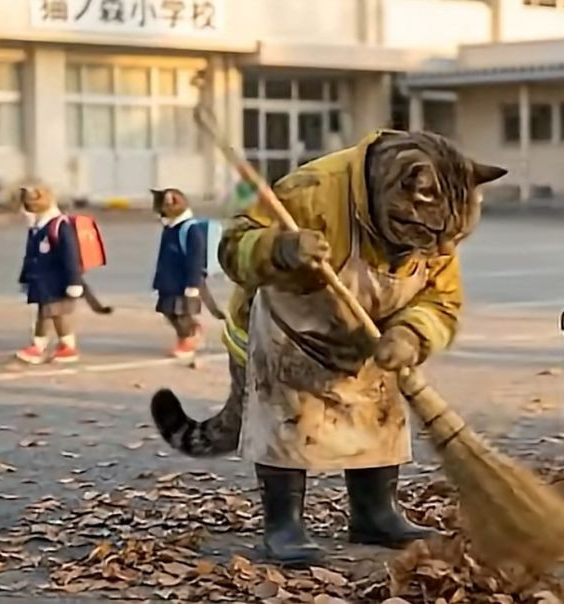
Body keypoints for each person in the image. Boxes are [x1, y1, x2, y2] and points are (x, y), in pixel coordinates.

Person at [152, 128, 506, 566]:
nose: (442, 249)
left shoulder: (438, 216)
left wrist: (410, 334)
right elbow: (232, 248)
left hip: (368, 337)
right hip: (286, 332)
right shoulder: (312, 191)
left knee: (379, 417)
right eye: (433, 235)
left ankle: (375, 513)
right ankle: (284, 525)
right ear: (405, 185)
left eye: (454, 236)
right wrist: (279, 249)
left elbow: (442, 299)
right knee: (286, 421)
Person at [15, 186, 84, 364]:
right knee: (51, 313)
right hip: (42, 281)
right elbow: (30, 255)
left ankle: (41, 347)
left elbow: (70, 255)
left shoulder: (58, 225)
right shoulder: (36, 227)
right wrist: (25, 277)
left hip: (56, 281)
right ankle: (63, 345)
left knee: (49, 313)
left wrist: (74, 281)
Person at [151, 188, 206, 359]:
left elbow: (195, 259)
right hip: (168, 281)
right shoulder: (170, 228)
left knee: (180, 313)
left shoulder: (190, 230)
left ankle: (187, 340)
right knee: (168, 311)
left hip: (182, 282)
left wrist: (192, 284)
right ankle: (191, 332)